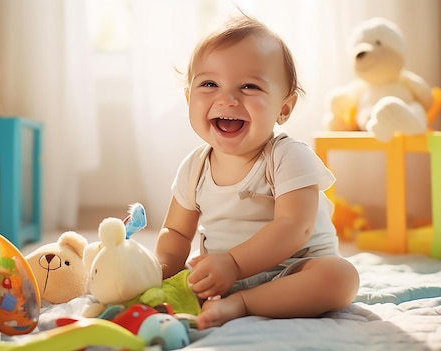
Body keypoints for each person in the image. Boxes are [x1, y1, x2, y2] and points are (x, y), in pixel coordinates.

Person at [154, 14, 360, 330]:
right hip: (223, 277)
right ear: (188, 98)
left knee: (341, 278)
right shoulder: (194, 167)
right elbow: (177, 232)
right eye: (209, 84)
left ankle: (245, 304)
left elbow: (295, 227)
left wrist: (234, 264)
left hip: (294, 272)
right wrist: (161, 273)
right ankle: (226, 298)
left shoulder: (289, 155)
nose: (227, 98)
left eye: (249, 86)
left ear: (284, 108)